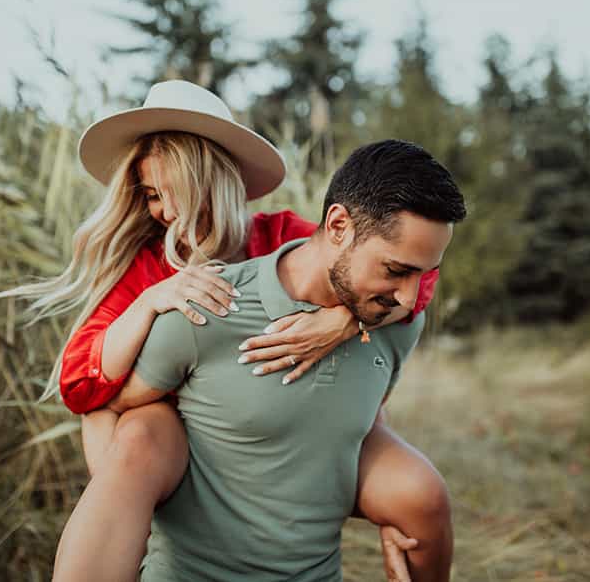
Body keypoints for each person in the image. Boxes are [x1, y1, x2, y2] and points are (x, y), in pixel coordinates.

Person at [0, 80, 453, 581]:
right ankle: (139, 542)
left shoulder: (280, 238)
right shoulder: (147, 270)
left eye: (176, 195)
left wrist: (343, 318)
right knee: (130, 430)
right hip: (172, 428)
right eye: (150, 196)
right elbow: (82, 386)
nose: (164, 213)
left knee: (412, 486)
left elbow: (382, 277)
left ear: (217, 182)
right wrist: (149, 303)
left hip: (281, 422)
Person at [97, 138, 466, 581]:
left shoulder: (388, 317)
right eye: (396, 270)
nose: (410, 296)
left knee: (419, 491)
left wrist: (391, 509)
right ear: (338, 226)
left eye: (423, 273)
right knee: (138, 433)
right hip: (188, 502)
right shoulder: (192, 299)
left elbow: (363, 413)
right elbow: (100, 395)